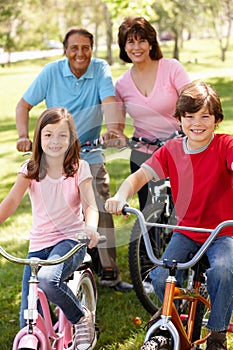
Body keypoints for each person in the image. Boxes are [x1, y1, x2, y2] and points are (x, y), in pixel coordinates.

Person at [105, 82, 233, 350]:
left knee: (223, 271)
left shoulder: (225, 145)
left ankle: (217, 334)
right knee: (162, 277)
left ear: (216, 120)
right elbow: (139, 177)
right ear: (179, 119)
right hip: (187, 230)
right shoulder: (172, 150)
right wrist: (120, 195)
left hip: (223, 232)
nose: (197, 123)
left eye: (205, 117)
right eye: (189, 117)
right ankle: (170, 321)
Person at [15, 27, 132, 292]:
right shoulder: (51, 72)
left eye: (85, 47)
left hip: (88, 151)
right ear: (65, 50)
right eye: (74, 48)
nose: (80, 53)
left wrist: (114, 129)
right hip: (55, 152)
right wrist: (24, 135)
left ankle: (109, 272)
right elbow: (23, 105)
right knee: (57, 209)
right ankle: (60, 264)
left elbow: (110, 102)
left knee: (100, 204)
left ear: (92, 49)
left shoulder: (100, 69)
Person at [0, 107, 100, 349]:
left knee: (47, 280)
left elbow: (90, 207)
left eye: (62, 135)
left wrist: (91, 228)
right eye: (48, 135)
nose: (55, 141)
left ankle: (80, 317)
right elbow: (12, 201)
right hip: (38, 247)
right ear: (38, 138)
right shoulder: (31, 169)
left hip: (70, 241)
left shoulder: (79, 168)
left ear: (71, 139)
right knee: (29, 318)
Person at [116, 16, 192, 211]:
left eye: (141, 40)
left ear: (151, 43)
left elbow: (193, 102)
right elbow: (117, 126)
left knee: (183, 211)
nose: (136, 47)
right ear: (124, 47)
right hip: (143, 151)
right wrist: (115, 135)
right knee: (148, 214)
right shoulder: (122, 84)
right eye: (130, 42)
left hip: (178, 147)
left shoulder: (171, 68)